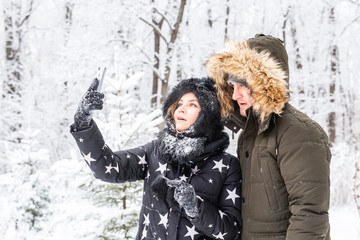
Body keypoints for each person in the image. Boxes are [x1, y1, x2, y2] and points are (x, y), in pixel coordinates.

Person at [70, 77, 242, 240]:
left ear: (209, 114)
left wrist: (195, 207)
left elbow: (232, 231)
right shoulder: (155, 151)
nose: (181, 109)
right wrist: (83, 122)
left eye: (192, 104)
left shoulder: (227, 166)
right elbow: (107, 167)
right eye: (179, 103)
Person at [206, 34, 331, 239]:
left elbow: (309, 213)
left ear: (265, 84)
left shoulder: (299, 133)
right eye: (232, 87)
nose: (236, 96)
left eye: (242, 86)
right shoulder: (249, 135)